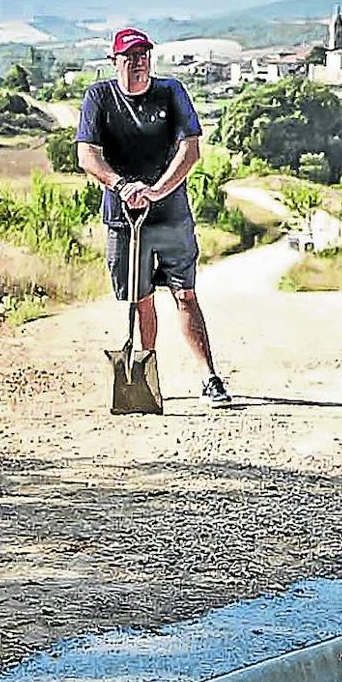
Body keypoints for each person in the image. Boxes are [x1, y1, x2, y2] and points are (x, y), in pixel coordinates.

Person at [75, 27, 231, 408]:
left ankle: (209, 376)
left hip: (171, 214)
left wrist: (158, 190)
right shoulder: (99, 97)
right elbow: (87, 155)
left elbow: (190, 149)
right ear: (114, 62)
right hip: (123, 217)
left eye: (144, 55)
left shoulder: (172, 92)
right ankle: (147, 375)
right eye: (130, 57)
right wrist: (121, 185)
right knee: (140, 298)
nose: (139, 63)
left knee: (185, 294)